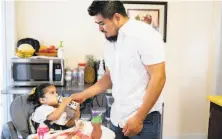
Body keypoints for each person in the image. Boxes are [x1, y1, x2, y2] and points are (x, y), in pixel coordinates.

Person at [71, 1, 166, 139]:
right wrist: (84, 95)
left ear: (116, 17)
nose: (100, 29)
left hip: (144, 120)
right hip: (118, 117)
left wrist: (139, 118)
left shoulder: (144, 35)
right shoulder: (109, 42)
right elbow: (109, 77)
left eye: (102, 23)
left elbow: (159, 77)